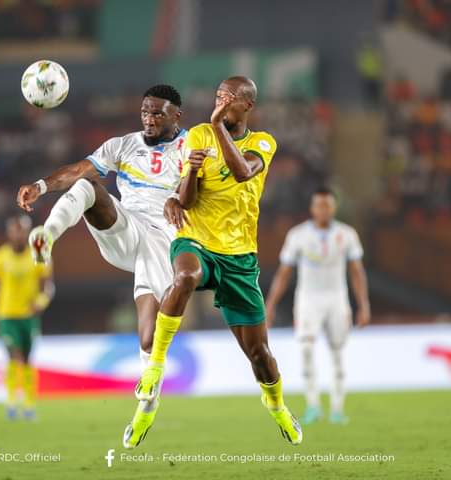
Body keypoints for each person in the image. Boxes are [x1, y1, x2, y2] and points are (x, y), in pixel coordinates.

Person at [126, 76, 302, 449]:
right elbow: (187, 200)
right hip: (197, 239)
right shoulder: (199, 135)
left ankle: (277, 406)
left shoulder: (263, 142)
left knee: (260, 355)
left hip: (239, 256)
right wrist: (189, 173)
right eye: (218, 95)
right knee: (185, 275)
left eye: (229, 97)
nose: (220, 102)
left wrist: (218, 126)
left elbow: (242, 172)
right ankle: (155, 367)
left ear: (247, 105)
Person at [16, 85, 186, 426]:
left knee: (149, 334)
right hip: (126, 230)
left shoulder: (192, 146)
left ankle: (148, 398)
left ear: (176, 115)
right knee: (86, 186)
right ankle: (46, 237)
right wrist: (41, 186)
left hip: (163, 239)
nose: (149, 119)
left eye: (157, 113)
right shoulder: (123, 145)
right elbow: (78, 169)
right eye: (145, 112)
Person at [265, 187, 371, 425]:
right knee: (306, 349)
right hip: (307, 300)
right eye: (319, 205)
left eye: (327, 205)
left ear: (334, 207)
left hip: (337, 299)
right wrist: (270, 305)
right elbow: (284, 272)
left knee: (337, 352)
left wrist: (363, 305)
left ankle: (337, 409)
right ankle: (313, 405)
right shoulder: (298, 235)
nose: (323, 210)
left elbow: (357, 271)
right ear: (312, 208)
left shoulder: (347, 234)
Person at [0, 215, 54, 421]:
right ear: (9, 233)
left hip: (28, 316)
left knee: (26, 359)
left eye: (22, 231)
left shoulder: (38, 255)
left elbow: (48, 286)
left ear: (28, 233)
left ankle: (29, 404)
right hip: (6, 315)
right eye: (15, 230)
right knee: (14, 356)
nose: (18, 235)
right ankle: (11, 401)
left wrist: (41, 302)